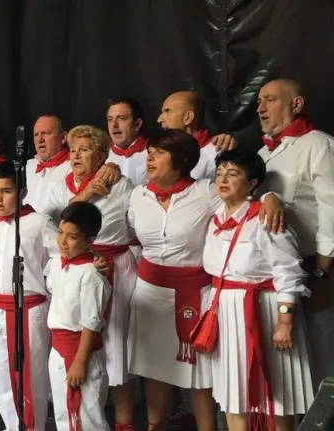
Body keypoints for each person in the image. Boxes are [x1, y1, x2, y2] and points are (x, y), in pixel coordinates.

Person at [126, 129, 283, 430]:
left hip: (194, 293)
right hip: (149, 293)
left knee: (198, 375)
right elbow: (134, 235)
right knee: (154, 367)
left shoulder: (205, 191)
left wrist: (271, 197)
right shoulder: (138, 195)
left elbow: (239, 201)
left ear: (182, 160)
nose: (150, 158)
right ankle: (153, 425)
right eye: (149, 152)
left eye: (159, 152)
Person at [201, 148, 313, 431]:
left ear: (252, 183)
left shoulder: (265, 219)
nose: (223, 179)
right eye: (220, 173)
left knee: (275, 396)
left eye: (234, 173)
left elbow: (288, 272)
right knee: (232, 395)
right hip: (225, 313)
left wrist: (284, 322)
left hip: (262, 311)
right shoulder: (215, 216)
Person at [43, 125, 137, 429]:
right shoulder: (61, 187)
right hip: (75, 266)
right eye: (72, 149)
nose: (76, 155)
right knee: (81, 332)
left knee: (118, 349)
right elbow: (54, 222)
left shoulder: (121, 184)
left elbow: (135, 228)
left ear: (101, 156)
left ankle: (122, 422)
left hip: (115, 268)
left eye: (84, 149)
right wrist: (87, 192)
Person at [256, 78, 334, 390]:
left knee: (322, 349)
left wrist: (323, 272)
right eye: (259, 101)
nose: (260, 108)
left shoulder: (320, 145)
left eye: (270, 100)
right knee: (292, 359)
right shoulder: (263, 154)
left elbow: (332, 209)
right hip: (277, 271)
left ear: (296, 104)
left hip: (315, 265)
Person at [0, 160, 60, 431]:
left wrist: (49, 287)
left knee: (31, 381)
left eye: (6, 191)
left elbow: (58, 259)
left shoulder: (39, 222)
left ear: (23, 191)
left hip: (28, 308)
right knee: (0, 377)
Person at [48, 202, 111, 431]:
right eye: (60, 233)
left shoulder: (92, 275)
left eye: (72, 237)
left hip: (81, 352)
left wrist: (80, 361)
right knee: (64, 414)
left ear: (89, 240)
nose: (63, 241)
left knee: (88, 416)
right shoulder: (57, 263)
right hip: (58, 349)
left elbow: (91, 322)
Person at [105, 98, 148, 187]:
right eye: (110, 119)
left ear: (137, 124)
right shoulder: (102, 153)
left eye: (121, 118)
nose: (114, 125)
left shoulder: (153, 151)